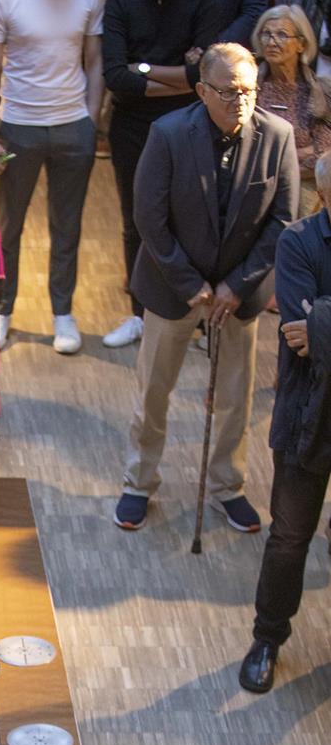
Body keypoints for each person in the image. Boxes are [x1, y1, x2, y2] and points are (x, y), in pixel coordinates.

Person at [113, 43, 299, 535]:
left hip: (240, 292)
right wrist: (191, 284)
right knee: (154, 391)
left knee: (236, 397)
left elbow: (282, 220)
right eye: (229, 92)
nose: (241, 101)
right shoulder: (168, 133)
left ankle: (227, 487)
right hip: (174, 286)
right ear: (201, 90)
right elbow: (149, 218)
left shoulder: (277, 136)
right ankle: (139, 482)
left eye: (249, 91)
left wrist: (237, 286)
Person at [0, 0, 103, 356]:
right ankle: (2, 309)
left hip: (73, 127)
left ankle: (63, 313)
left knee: (67, 226)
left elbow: (95, 60)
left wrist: (90, 119)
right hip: (19, 126)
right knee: (8, 227)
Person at [101, 0, 221, 348]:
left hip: (190, 125)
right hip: (132, 126)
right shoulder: (120, 0)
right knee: (137, 219)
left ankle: (198, 317)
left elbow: (204, 74)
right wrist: (179, 75)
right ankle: (139, 314)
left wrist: (144, 68)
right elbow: (116, 76)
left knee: (194, 217)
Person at [238, 151, 331, 694]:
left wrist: (324, 321)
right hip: (306, 418)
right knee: (290, 536)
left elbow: (316, 329)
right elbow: (298, 332)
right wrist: (314, 327)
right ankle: (267, 638)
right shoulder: (298, 242)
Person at [253, 5, 331, 217]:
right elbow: (244, 151)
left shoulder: (320, 91)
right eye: (266, 34)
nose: (272, 42)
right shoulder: (249, 87)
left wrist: (271, 160)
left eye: (282, 35)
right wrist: (301, 152)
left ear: (301, 44)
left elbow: (322, 157)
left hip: (305, 195)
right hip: (254, 191)